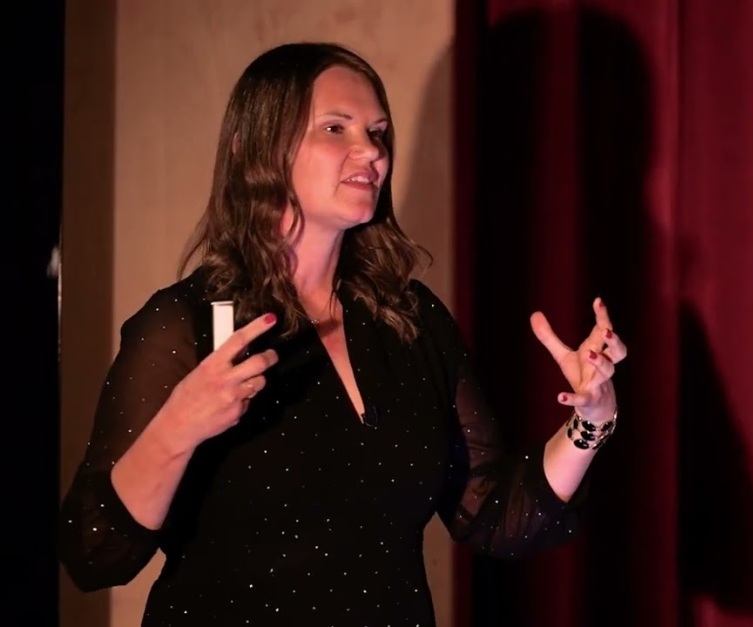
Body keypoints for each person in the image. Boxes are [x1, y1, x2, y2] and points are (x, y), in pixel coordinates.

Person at [57, 41, 627, 626]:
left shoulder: (410, 319)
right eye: (336, 128)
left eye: (378, 133)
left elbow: (495, 516)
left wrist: (591, 421)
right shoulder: (186, 322)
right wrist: (180, 425)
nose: (371, 151)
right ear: (255, 148)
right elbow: (93, 553)